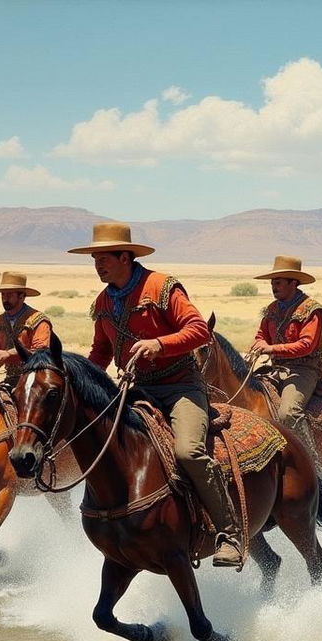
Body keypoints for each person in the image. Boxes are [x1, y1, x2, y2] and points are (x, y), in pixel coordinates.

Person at [70, 221, 244, 568]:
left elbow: (198, 331)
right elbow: (100, 352)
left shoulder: (161, 287)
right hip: (140, 390)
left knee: (189, 452)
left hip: (181, 387)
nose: (97, 265)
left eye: (103, 258)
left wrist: (159, 344)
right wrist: (81, 381)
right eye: (94, 259)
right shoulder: (104, 302)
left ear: (125, 257)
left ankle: (229, 533)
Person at [249, 255, 322, 456]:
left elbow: (306, 346)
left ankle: (311, 463)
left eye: (278, 283)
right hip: (276, 368)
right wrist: (258, 344)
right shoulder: (272, 309)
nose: (273, 287)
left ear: (293, 283)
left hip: (304, 369)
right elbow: (261, 335)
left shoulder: (312, 310)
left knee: (288, 413)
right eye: (272, 283)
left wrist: (271, 349)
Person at [0, 272, 53, 392]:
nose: (5, 299)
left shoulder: (38, 320)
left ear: (22, 296)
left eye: (9, 295)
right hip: (10, 379)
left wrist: (8, 354)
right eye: (3, 295)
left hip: (36, 380)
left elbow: (41, 352)